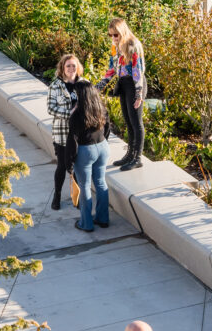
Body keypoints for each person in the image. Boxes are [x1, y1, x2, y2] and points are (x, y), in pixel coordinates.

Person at [106, 18, 149, 172]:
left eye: (115, 35)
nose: (113, 38)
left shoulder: (133, 45)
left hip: (135, 84)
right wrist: (100, 85)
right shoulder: (115, 46)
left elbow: (138, 71)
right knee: (128, 121)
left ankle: (137, 158)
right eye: (110, 35)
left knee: (136, 123)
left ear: (122, 32)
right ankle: (129, 154)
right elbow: (112, 68)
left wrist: (138, 94)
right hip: (123, 84)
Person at [45, 54, 86, 211]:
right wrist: (70, 113)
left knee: (77, 166)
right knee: (62, 166)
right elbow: (51, 108)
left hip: (80, 134)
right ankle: (57, 196)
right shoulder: (55, 86)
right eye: (68, 66)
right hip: (62, 133)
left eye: (73, 66)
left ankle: (77, 197)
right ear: (62, 68)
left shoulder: (84, 83)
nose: (71, 69)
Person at [71, 85, 113, 233]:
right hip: (103, 146)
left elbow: (72, 140)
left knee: (85, 186)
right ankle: (103, 219)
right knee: (101, 182)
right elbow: (108, 127)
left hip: (85, 150)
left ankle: (86, 223)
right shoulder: (101, 108)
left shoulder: (76, 114)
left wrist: (69, 159)